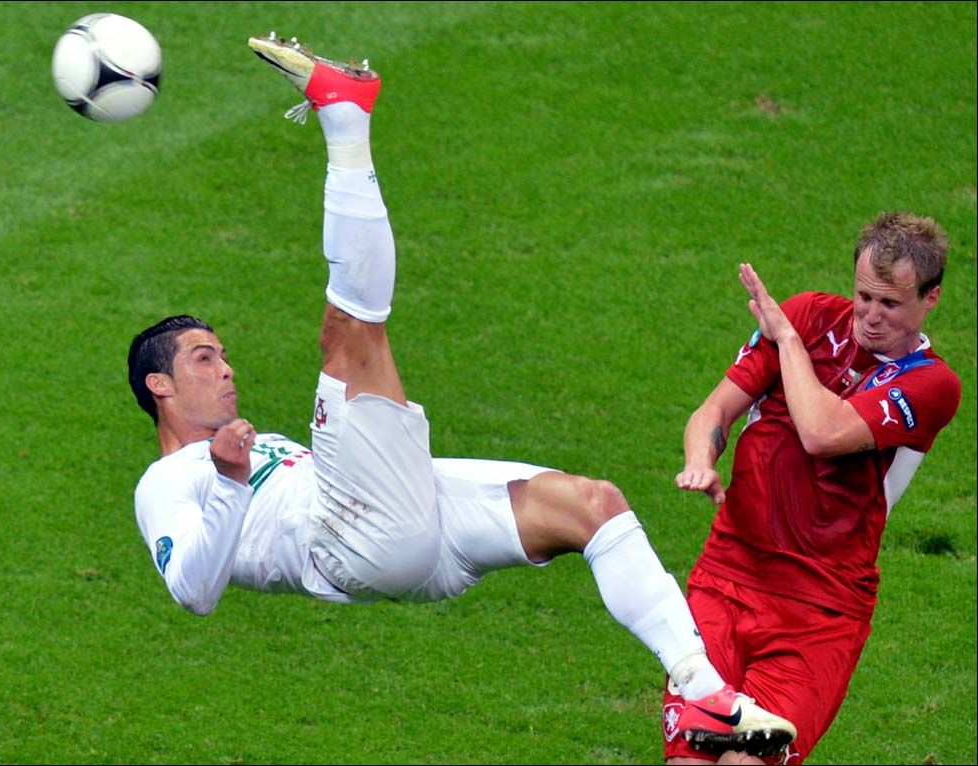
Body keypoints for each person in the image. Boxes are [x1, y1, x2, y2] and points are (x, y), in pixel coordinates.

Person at [127, 32, 797, 758]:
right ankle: (344, 117)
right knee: (349, 335)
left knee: (592, 504)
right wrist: (227, 482)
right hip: (350, 539)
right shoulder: (166, 481)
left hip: (408, 530)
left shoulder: (249, 446)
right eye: (203, 358)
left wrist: (238, 470)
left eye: (223, 354)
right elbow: (192, 592)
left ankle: (702, 686)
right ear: (157, 385)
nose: (226, 368)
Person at [665, 215, 961, 764]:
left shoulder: (930, 384)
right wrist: (700, 459)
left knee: (745, 761)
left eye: (890, 305)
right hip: (728, 576)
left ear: (931, 298)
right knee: (690, 759)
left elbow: (822, 433)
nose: (870, 317)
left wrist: (787, 342)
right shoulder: (807, 316)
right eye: (863, 296)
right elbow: (715, 410)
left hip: (817, 609)